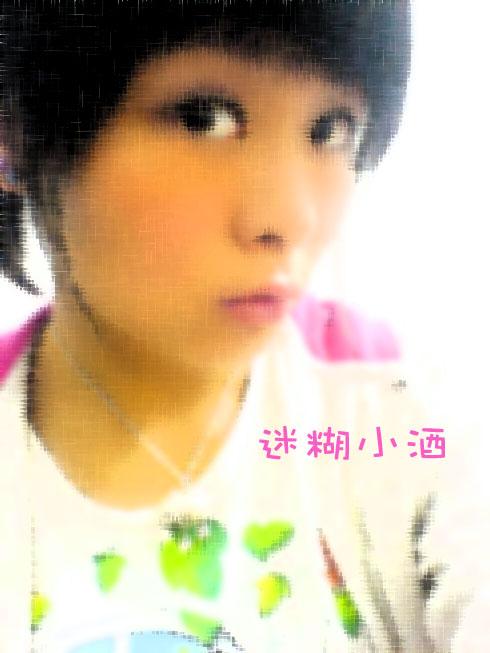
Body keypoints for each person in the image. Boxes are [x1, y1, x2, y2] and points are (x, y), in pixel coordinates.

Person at [0, 1, 487, 651]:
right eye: (204, 118)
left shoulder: (393, 423)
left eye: (331, 130)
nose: (289, 217)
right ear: (15, 139)